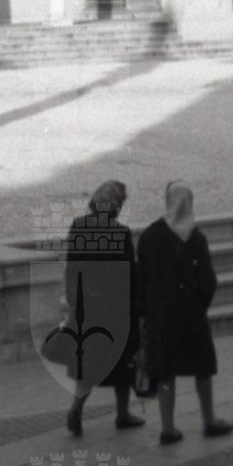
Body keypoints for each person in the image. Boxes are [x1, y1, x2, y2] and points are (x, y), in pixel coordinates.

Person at [137, 181, 233, 446]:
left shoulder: (149, 236)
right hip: (191, 315)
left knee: (165, 369)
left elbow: (141, 280)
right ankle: (209, 419)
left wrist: (145, 313)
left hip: (160, 316)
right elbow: (207, 281)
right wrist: (199, 305)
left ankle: (168, 428)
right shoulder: (196, 237)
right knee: (203, 366)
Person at [63, 179, 143, 436]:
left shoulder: (78, 226)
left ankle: (76, 409)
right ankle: (122, 413)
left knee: (90, 364)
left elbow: (72, 267)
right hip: (116, 308)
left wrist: (73, 299)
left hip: (88, 305)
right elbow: (130, 276)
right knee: (124, 361)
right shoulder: (121, 233)